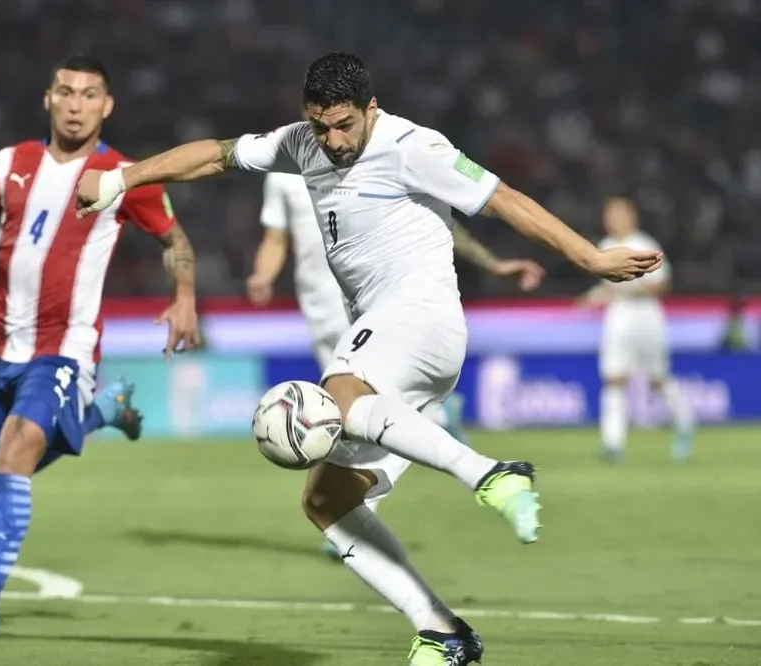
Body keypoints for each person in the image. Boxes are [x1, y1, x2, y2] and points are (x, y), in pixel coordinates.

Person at [74, 52, 660, 665]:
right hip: (393, 345)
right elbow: (213, 155)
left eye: (345, 125)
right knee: (326, 503)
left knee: (342, 392)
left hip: (423, 318)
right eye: (321, 125)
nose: (333, 140)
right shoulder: (302, 144)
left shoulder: (415, 146)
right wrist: (121, 179)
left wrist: (590, 259)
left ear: (371, 109)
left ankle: (491, 472)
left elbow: (504, 199)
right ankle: (441, 631)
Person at [0, 54, 201, 641]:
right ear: (47, 99)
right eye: (67, 93)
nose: (76, 105)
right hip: (0, 348)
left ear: (107, 106)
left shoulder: (122, 175)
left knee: (18, 451)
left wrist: (185, 295)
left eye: (90, 95)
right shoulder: (9, 164)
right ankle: (103, 412)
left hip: (65, 349)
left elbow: (173, 238)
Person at [247, 172, 546, 559]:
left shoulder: (373, 155)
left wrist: (492, 264)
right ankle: (435, 419)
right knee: (352, 420)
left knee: (354, 415)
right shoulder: (283, 170)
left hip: (376, 304)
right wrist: (263, 274)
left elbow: (435, 222)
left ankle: (368, 508)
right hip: (319, 307)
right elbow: (276, 237)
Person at [578, 196, 694, 461]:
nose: (613, 220)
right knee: (614, 378)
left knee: (658, 379)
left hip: (646, 316)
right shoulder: (605, 247)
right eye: (609, 215)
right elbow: (608, 288)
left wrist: (634, 288)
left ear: (631, 217)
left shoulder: (645, 245)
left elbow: (663, 284)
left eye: (618, 214)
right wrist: (592, 297)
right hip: (618, 317)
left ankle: (684, 422)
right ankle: (613, 443)